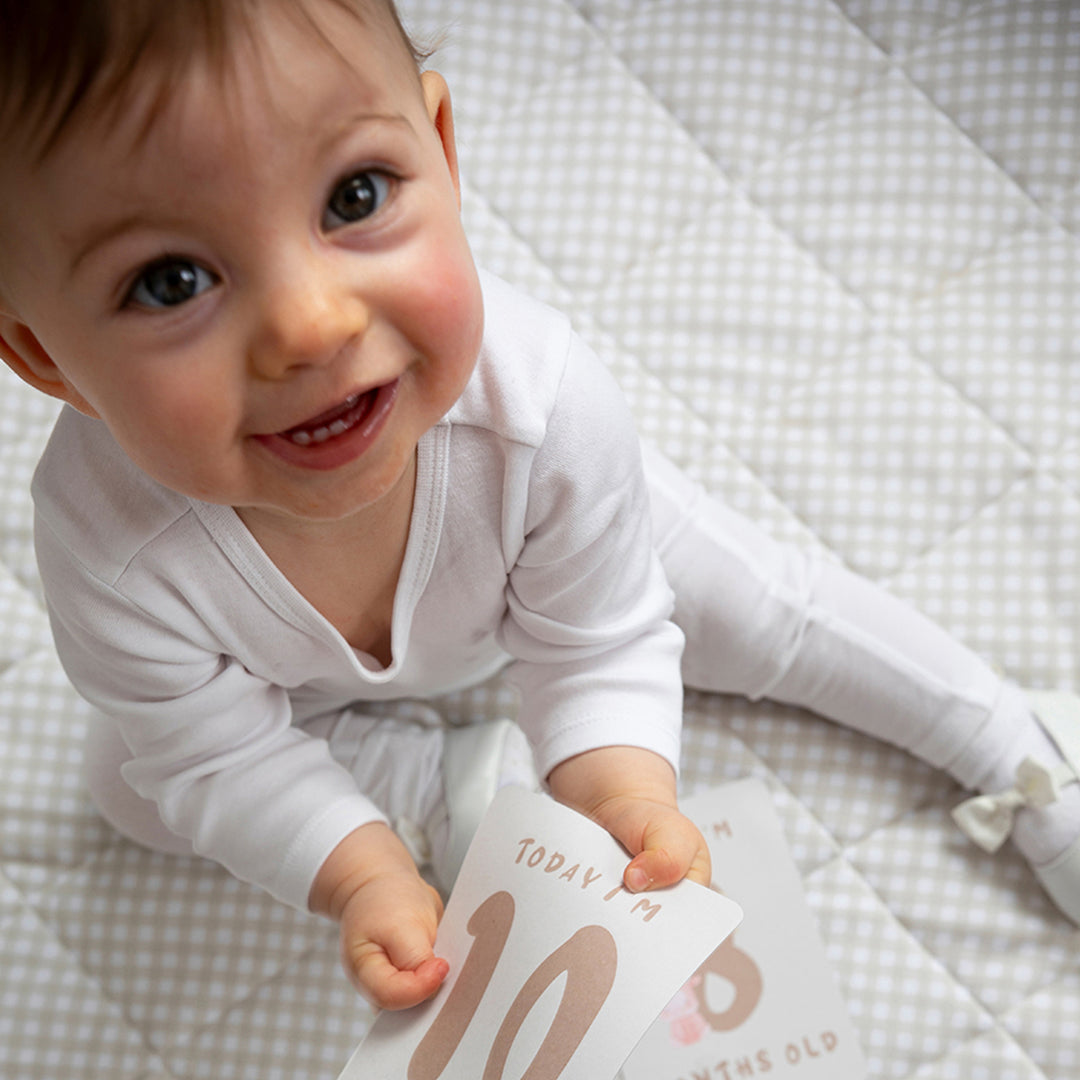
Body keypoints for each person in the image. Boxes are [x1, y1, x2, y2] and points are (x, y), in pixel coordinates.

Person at [0, 0, 1076, 1013]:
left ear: (442, 152)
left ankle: (1012, 744)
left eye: (355, 197)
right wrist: (359, 869)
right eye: (172, 282)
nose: (312, 326)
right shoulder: (108, 553)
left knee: (770, 614)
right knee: (132, 788)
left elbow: (601, 641)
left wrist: (621, 790)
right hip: (298, 682)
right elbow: (214, 756)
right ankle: (439, 782)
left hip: (570, 561)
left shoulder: (543, 411)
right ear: (46, 354)